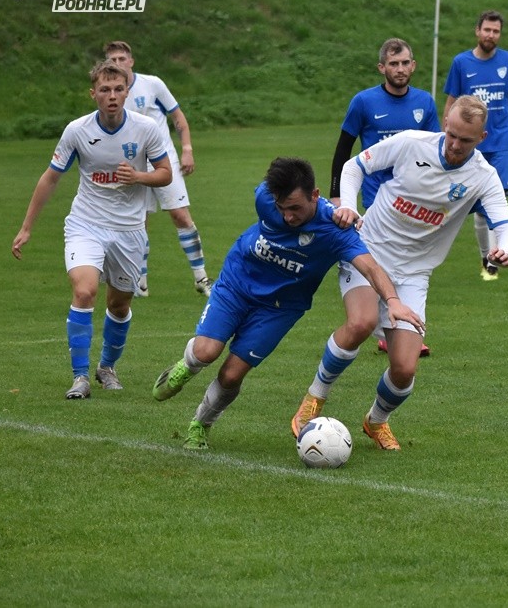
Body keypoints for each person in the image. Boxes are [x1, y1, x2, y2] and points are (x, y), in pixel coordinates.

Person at [291, 95, 508, 451]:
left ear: (482, 138)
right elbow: (353, 167)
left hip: (414, 274)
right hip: (368, 251)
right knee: (361, 322)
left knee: (404, 369)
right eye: (452, 134)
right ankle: (314, 399)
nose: (455, 145)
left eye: (466, 140)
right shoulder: (411, 143)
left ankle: (376, 421)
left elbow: (505, 226)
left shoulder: (483, 177)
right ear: (445, 122)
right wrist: (348, 206)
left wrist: (505, 250)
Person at [152, 157, 424, 451]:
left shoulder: (335, 229)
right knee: (206, 352)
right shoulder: (265, 198)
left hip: (279, 308)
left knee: (231, 374)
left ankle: (200, 424)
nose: (288, 217)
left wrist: (392, 301)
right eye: (282, 208)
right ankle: (187, 365)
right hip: (237, 284)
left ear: (315, 195)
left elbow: (370, 267)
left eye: (295, 208)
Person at [11, 60, 172, 399]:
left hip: (129, 230)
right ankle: (80, 377)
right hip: (86, 224)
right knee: (84, 292)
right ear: (93, 94)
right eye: (105, 90)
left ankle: (107, 367)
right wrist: (26, 227)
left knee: (119, 304)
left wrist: (138, 177)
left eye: (118, 89)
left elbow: (165, 173)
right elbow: (51, 177)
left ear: (127, 93)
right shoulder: (77, 131)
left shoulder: (146, 129)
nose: (112, 96)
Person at [331, 37, 439, 358]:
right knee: (381, 259)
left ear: (413, 65)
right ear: (382, 68)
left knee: (409, 261)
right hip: (375, 199)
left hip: (412, 201)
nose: (400, 69)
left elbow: (434, 150)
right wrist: (338, 196)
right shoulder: (364, 102)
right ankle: (390, 328)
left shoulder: (425, 103)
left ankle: (395, 326)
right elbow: (343, 150)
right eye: (393, 64)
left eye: (405, 63)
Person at [104, 41, 214, 296]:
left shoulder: (152, 84)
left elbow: (178, 117)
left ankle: (201, 278)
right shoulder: (111, 94)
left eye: (122, 58)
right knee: (137, 222)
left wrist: (187, 149)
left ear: (131, 61)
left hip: (164, 161)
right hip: (133, 165)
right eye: (112, 60)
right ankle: (140, 283)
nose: (118, 64)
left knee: (180, 215)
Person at [443, 10, 508, 281]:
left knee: (497, 200)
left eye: (496, 31)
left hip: (502, 144)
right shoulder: (461, 63)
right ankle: (486, 255)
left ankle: (493, 260)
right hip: (472, 146)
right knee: (479, 209)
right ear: (477, 31)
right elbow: (451, 105)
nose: (491, 35)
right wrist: (444, 141)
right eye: (487, 30)